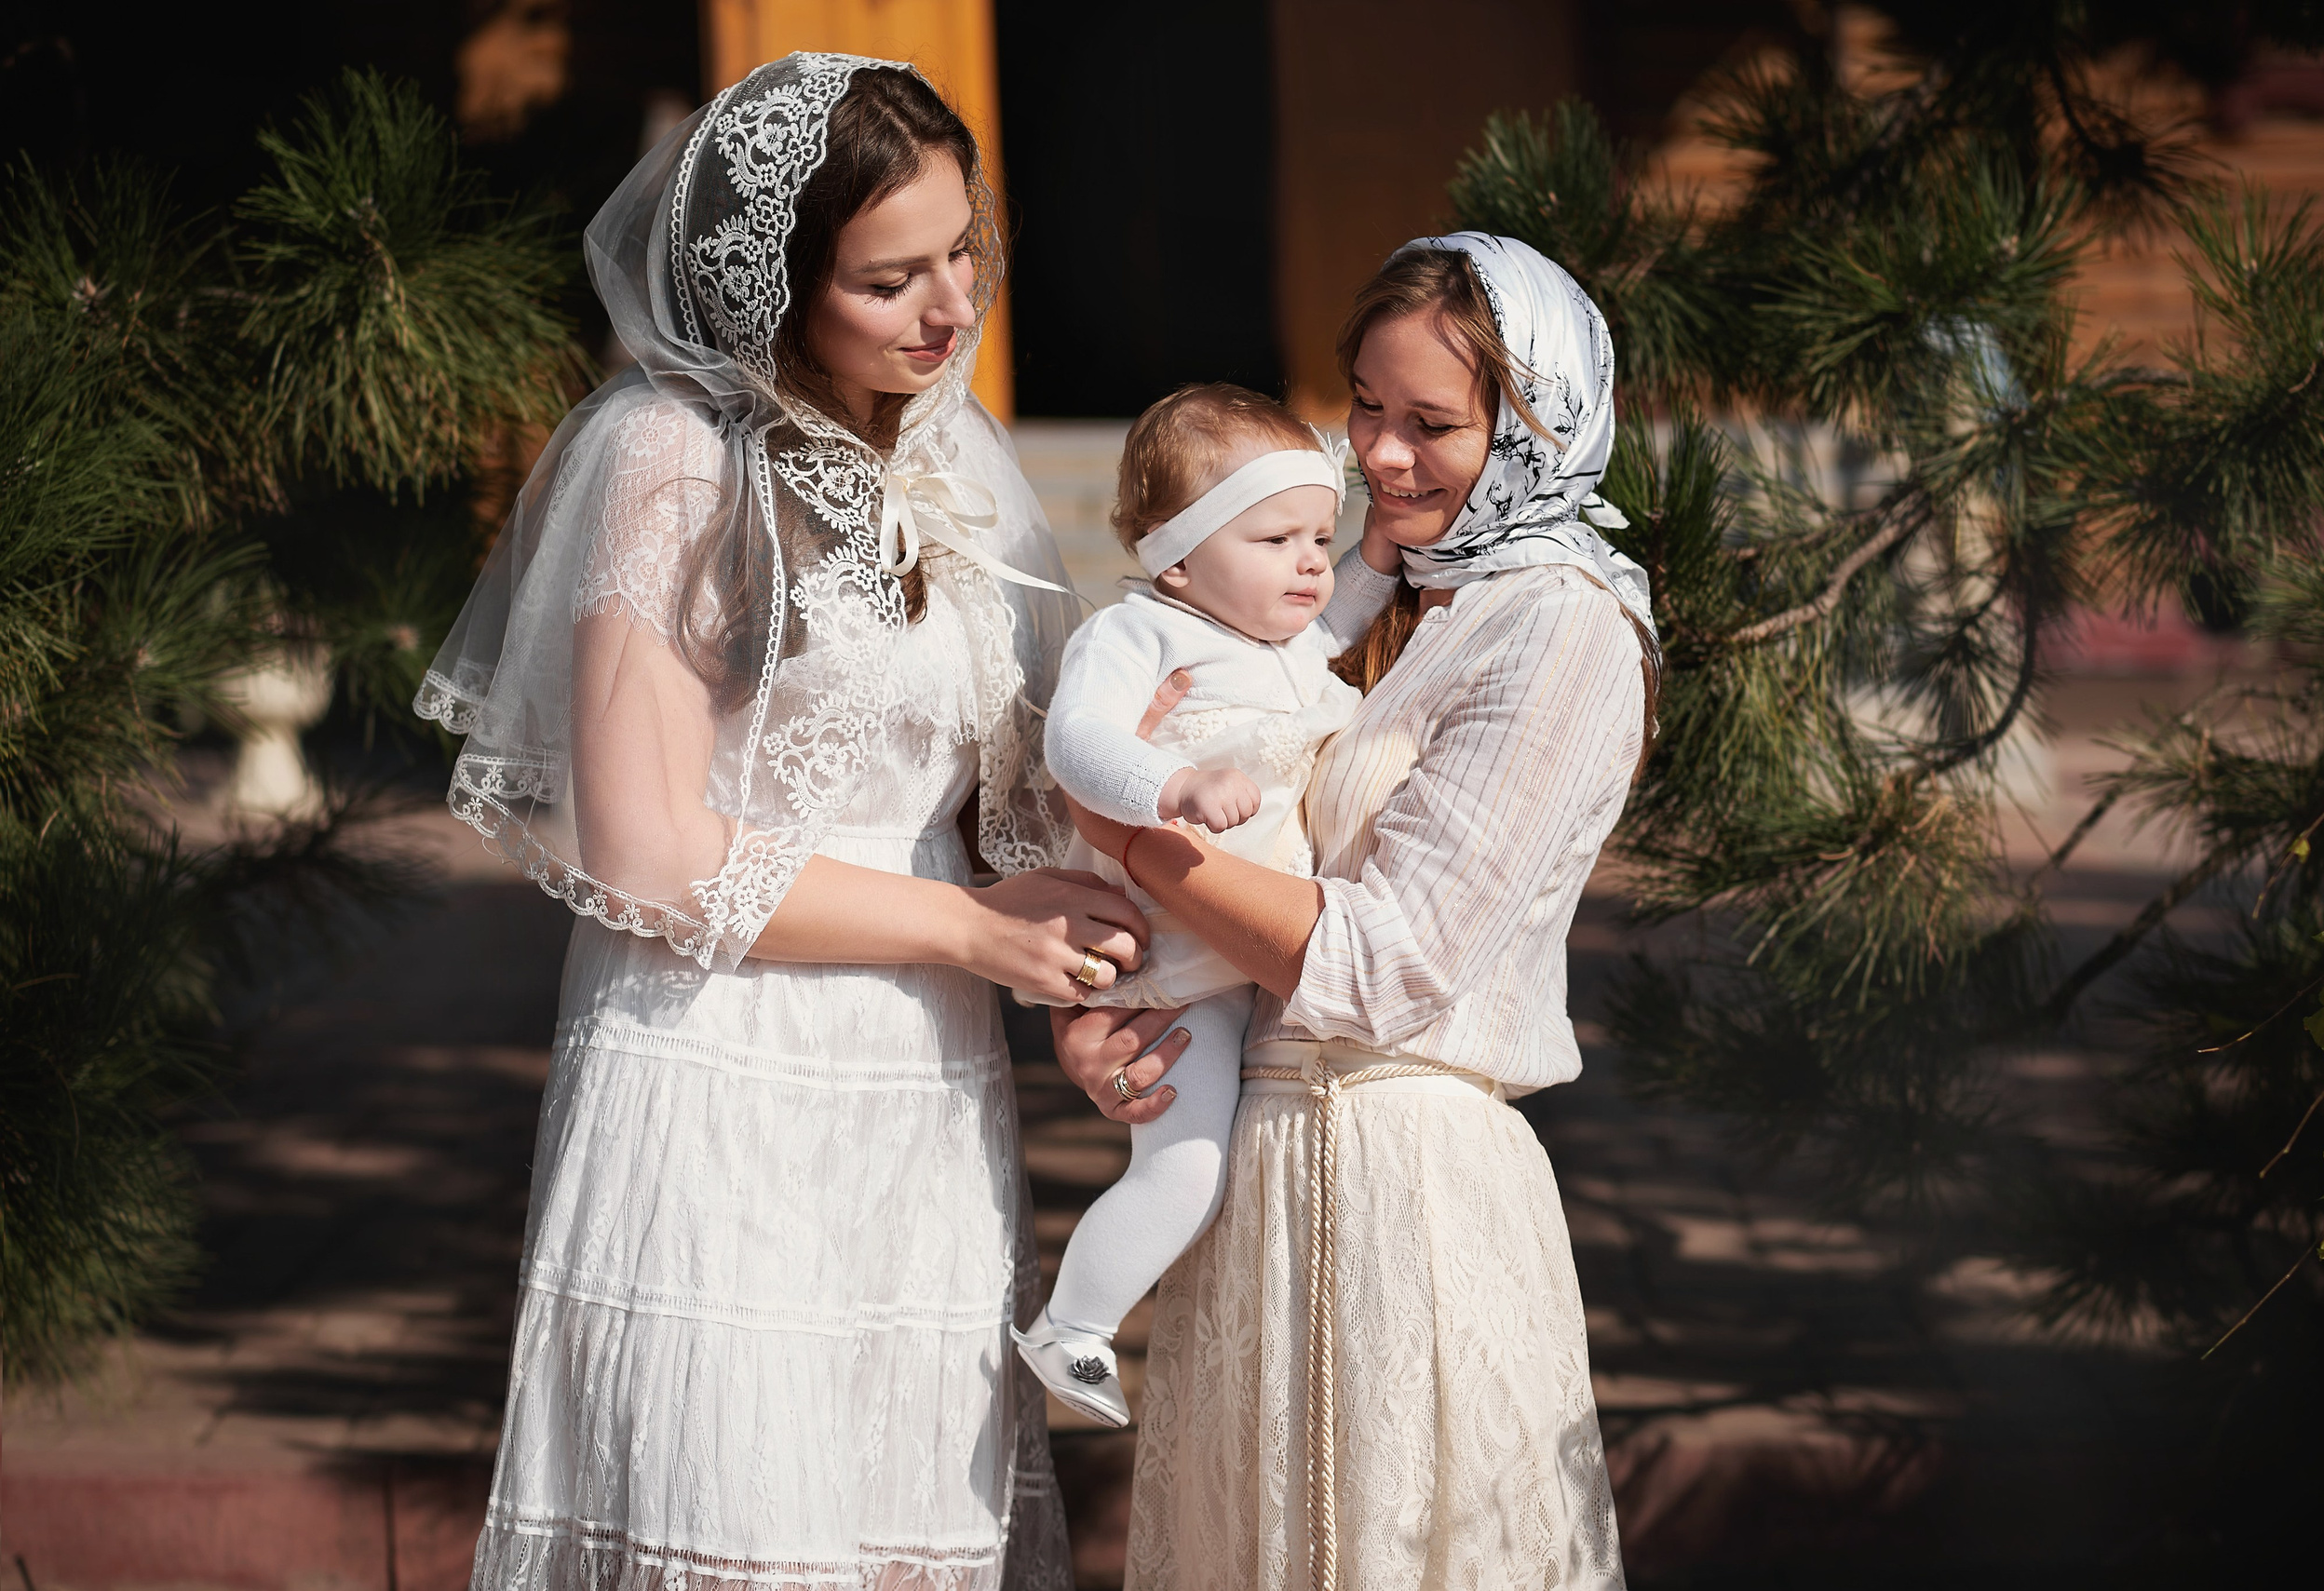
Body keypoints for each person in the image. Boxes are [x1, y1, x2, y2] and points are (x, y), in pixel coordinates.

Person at [414, 53, 1134, 1591]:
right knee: (742, 1520)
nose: (951, 308)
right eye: (891, 280)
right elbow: (643, 847)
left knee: (901, 1526)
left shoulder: (943, 452)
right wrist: (964, 927)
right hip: (724, 1062)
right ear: (769, 286)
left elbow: (1005, 800)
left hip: (924, 1086)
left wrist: (1093, 954)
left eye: (964, 251)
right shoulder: (668, 459)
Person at [1053, 233, 1658, 1590]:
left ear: (1537, 427)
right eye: (1366, 407)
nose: (1378, 456)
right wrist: (1118, 1023)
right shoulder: (1395, 607)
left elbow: (1387, 964)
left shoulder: (1556, 628)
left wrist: (1134, 841)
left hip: (1404, 1196)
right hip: (1261, 1184)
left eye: (1431, 422)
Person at [1010, 385, 1398, 1426]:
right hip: (1178, 968)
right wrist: (1165, 787)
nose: (1313, 560)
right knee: (1186, 1169)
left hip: (1246, 962)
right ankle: (1075, 1325)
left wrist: (1385, 546)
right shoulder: (1139, 631)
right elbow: (1078, 740)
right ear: (1177, 558)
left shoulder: (1287, 648)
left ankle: (1081, 1321)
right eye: (1275, 536)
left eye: (1320, 533)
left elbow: (1353, 602)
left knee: (1208, 1171)